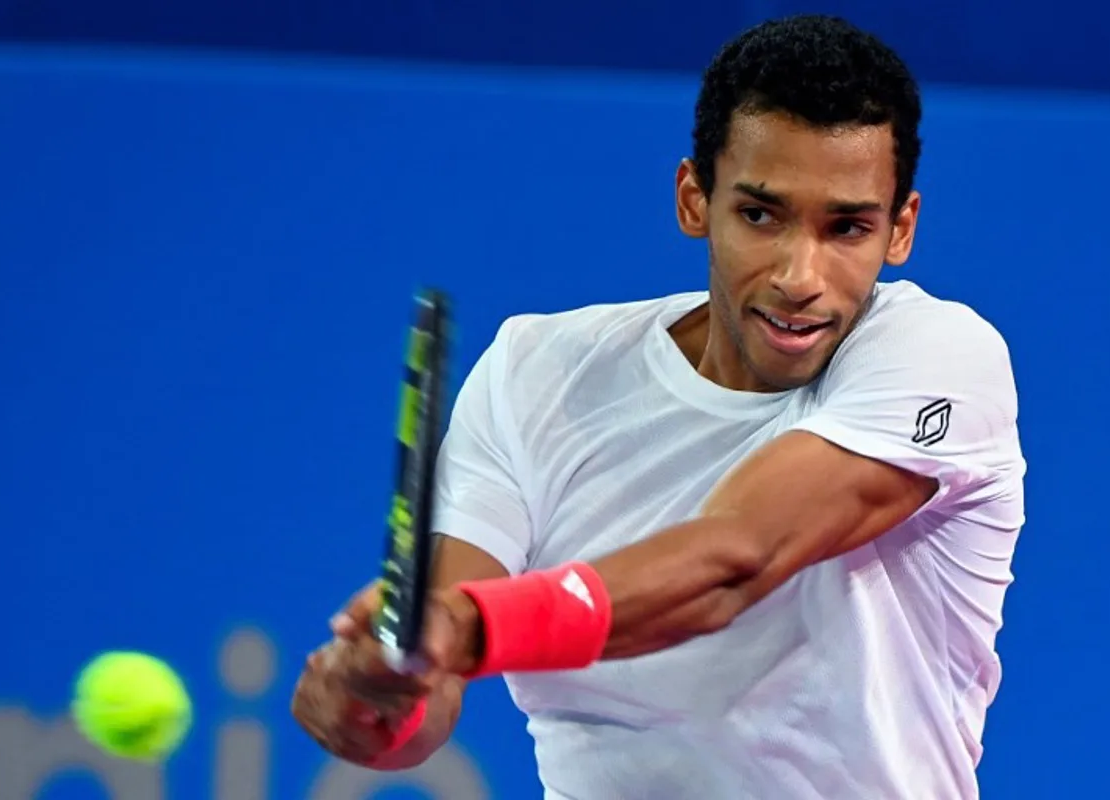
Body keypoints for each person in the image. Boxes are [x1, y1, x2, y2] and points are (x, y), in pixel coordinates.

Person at [291, 13, 1025, 799]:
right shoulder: (534, 375)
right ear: (693, 199)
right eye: (761, 215)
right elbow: (427, 702)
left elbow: (733, 560)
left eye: (846, 227)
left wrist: (469, 628)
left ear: (901, 229)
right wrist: (378, 700)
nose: (800, 275)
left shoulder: (940, 356)